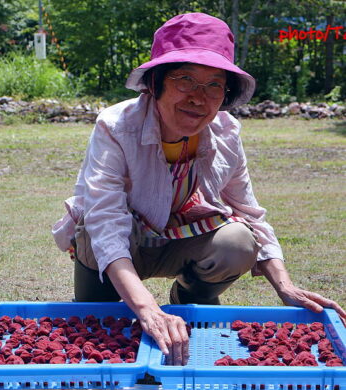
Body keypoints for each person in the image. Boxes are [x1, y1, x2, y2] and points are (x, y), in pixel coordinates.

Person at [52, 13, 346, 365]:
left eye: (213, 85)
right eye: (185, 79)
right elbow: (104, 220)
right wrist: (147, 309)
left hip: (178, 239)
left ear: (226, 94)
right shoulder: (116, 127)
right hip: (118, 244)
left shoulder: (226, 132)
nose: (198, 97)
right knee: (96, 321)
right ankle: (112, 299)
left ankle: (188, 296)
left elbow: (250, 212)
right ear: (155, 83)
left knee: (237, 241)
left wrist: (284, 284)